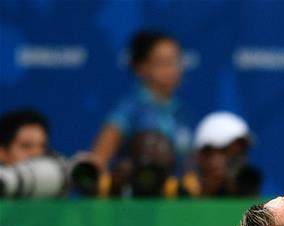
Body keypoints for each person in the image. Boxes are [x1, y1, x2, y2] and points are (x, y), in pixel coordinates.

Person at [90, 30, 192, 171]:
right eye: (163, 63)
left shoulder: (180, 112)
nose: (172, 70)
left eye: (175, 61)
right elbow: (96, 164)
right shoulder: (128, 111)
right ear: (142, 67)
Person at [188, 111, 262, 197]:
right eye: (231, 154)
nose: (240, 161)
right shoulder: (180, 190)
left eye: (241, 153)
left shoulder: (246, 185)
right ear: (204, 155)